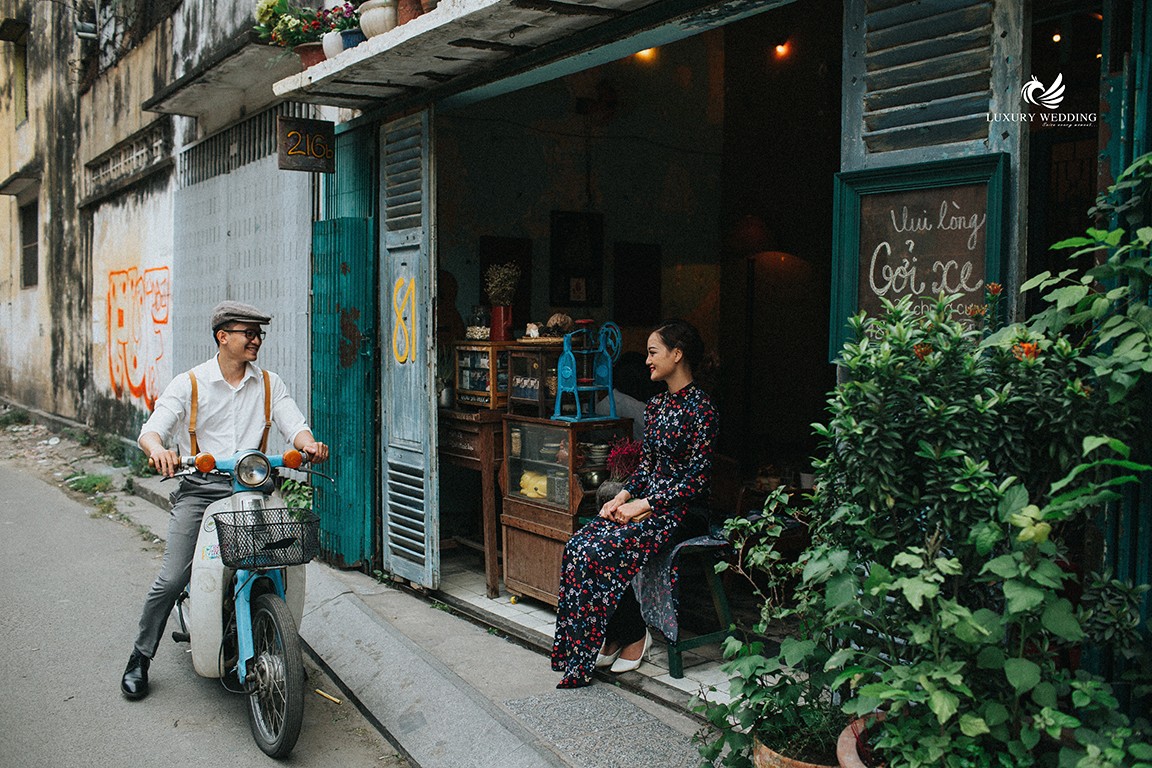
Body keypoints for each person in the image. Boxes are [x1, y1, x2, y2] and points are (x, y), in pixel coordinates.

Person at [120, 300, 329, 701]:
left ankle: (280, 643)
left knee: (283, 562)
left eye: (258, 334)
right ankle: (139, 657)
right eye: (247, 333)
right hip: (202, 489)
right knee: (172, 578)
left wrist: (310, 446)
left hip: (255, 487)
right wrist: (158, 451)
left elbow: (295, 426)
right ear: (223, 337)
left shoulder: (270, 383)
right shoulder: (191, 383)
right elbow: (153, 431)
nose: (255, 340)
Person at [551, 319, 718, 688]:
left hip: (685, 512)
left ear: (677, 355)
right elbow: (646, 468)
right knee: (579, 546)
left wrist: (644, 505)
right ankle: (613, 634)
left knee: (606, 549)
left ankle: (634, 633)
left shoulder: (702, 409)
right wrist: (623, 497)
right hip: (648, 505)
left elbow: (696, 480)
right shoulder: (657, 405)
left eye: (653, 352)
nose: (646, 360)